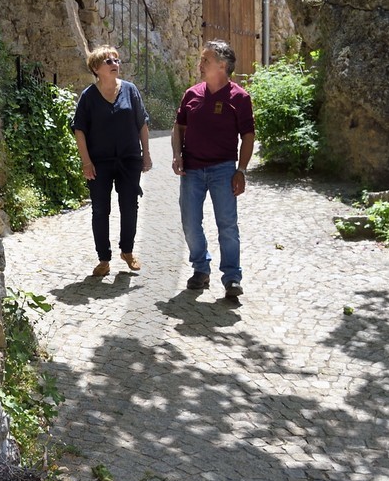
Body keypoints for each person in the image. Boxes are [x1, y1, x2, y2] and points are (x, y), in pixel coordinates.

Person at [170, 39, 255, 298]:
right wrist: (177, 155)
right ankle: (201, 269)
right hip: (192, 170)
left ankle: (232, 278)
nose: (200, 63)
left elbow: (248, 136)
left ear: (222, 65)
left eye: (206, 59)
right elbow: (179, 127)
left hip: (223, 169)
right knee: (190, 222)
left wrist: (241, 170)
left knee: (227, 225)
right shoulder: (191, 94)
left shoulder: (239, 97)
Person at [71, 45, 152, 277]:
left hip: (129, 160)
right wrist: (86, 162)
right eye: (109, 61)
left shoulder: (130, 90)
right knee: (100, 210)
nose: (115, 64)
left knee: (130, 206)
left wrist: (146, 153)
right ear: (96, 68)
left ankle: (127, 251)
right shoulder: (88, 96)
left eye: (117, 60)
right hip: (100, 162)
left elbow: (142, 123)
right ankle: (103, 259)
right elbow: (80, 130)